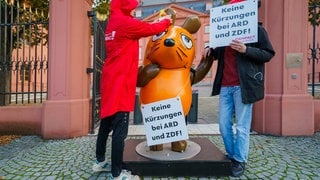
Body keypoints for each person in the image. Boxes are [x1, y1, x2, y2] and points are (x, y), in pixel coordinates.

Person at [92, 0, 172, 179]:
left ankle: (99, 162)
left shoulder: (113, 21)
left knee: (105, 124)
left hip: (110, 80)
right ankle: (117, 173)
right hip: (121, 82)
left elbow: (140, 27)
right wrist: (166, 21)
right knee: (120, 130)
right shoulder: (125, 23)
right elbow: (151, 29)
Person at [205, 0, 275, 177]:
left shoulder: (257, 30)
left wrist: (246, 50)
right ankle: (232, 154)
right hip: (226, 86)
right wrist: (210, 49)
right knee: (223, 125)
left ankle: (239, 160)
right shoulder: (224, 33)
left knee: (242, 127)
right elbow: (217, 54)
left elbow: (268, 54)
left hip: (244, 86)